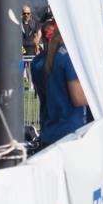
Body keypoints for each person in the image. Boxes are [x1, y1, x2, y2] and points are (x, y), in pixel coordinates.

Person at [30, 19, 88, 149]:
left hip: (49, 128)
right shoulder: (68, 57)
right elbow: (78, 98)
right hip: (71, 130)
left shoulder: (37, 61)